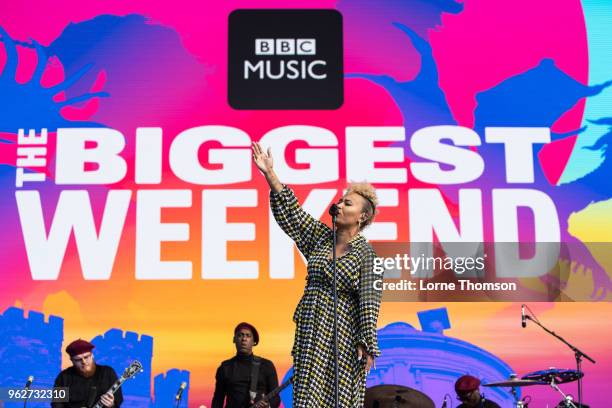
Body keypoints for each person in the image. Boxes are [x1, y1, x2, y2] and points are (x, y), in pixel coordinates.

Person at [252, 142, 383, 407]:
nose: (340, 205)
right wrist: (270, 174)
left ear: (362, 217)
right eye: (341, 201)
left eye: (348, 203)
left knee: (339, 398)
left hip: (343, 334)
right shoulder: (321, 239)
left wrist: (367, 342)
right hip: (312, 329)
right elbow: (294, 215)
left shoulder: (366, 254)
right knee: (307, 397)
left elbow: (369, 301)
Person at [212, 322, 280, 408]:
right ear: (234, 339)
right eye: (240, 335)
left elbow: (276, 397)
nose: (244, 339)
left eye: (248, 336)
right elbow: (218, 399)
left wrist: (268, 405)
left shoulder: (266, 365)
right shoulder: (225, 367)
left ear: (254, 341)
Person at [52, 339, 123, 407]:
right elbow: (56, 404)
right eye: (78, 360)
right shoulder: (63, 377)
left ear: (92, 355)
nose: (84, 362)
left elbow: (118, 399)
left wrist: (112, 405)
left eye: (86, 357)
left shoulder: (108, 373)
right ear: (72, 360)